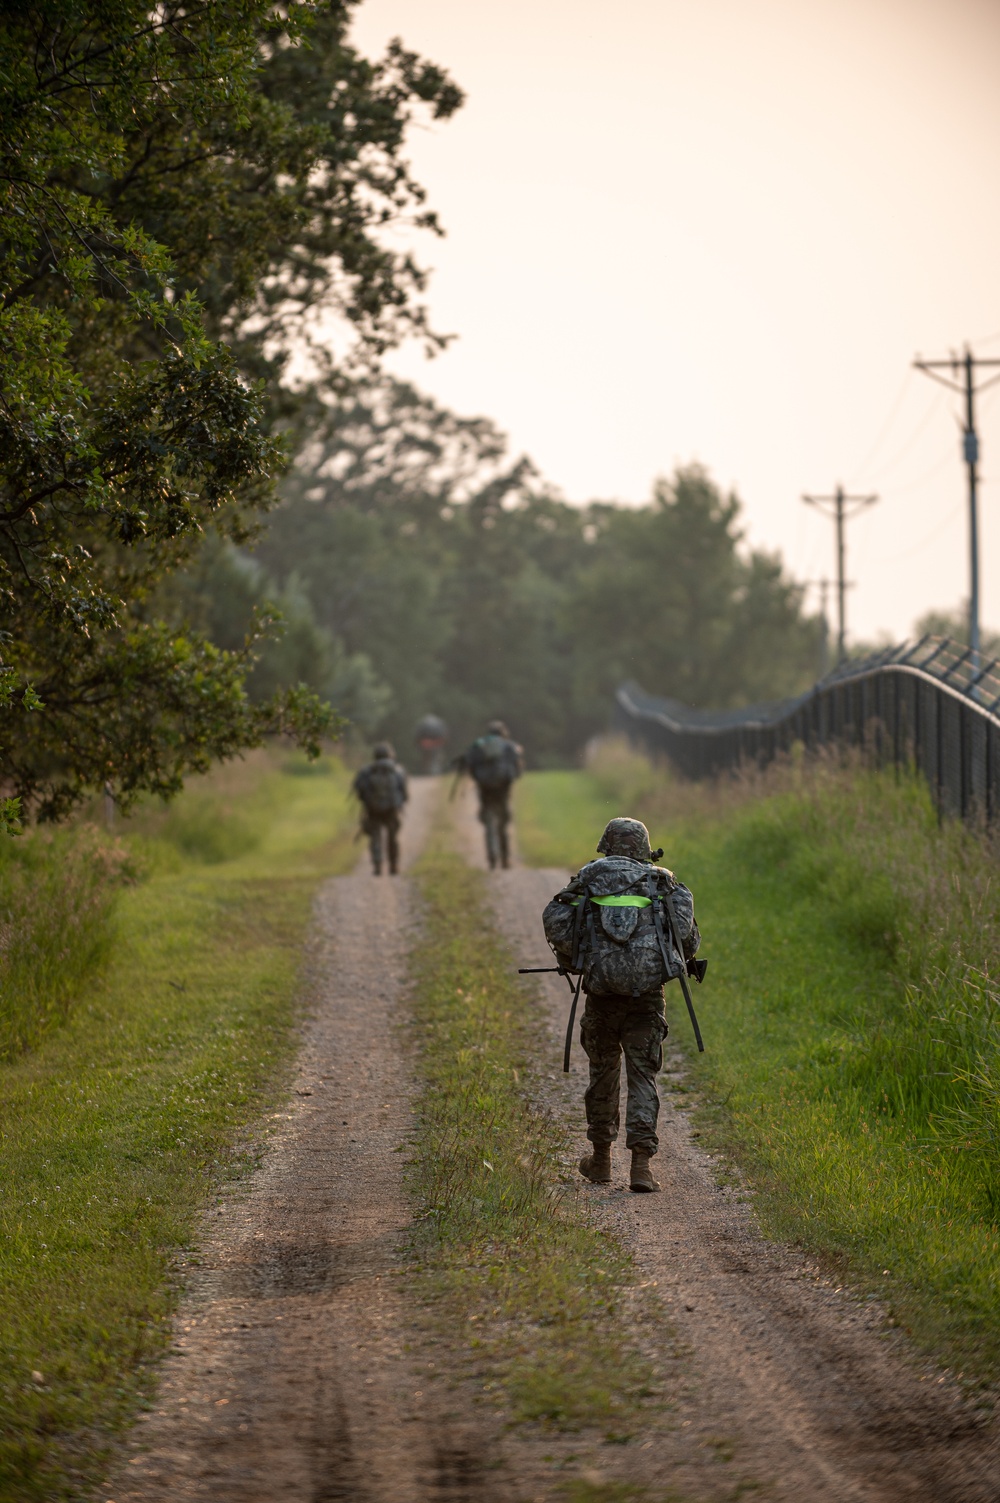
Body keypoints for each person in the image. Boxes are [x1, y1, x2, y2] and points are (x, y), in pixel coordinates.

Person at [542, 817, 701, 1193]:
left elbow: (557, 922)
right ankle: (641, 1168)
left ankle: (600, 1161)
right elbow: (687, 939)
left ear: (608, 845)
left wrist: (577, 958)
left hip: (601, 998)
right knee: (643, 1076)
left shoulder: (589, 877)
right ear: (645, 848)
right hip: (646, 998)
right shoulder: (661, 881)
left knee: (602, 1073)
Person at [456, 720, 523, 869]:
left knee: (488, 822)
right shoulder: (509, 746)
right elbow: (517, 768)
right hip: (503, 788)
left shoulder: (479, 745)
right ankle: (505, 859)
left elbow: (469, 765)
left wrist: (479, 780)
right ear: (503, 732)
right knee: (503, 824)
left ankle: (492, 858)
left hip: (485, 788)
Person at [352, 742, 408, 876]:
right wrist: (399, 803)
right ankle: (394, 865)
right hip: (392, 810)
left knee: (375, 837)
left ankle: (377, 865)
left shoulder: (366, 771)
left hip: (373, 810)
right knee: (392, 838)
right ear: (391, 755)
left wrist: (367, 803)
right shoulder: (398, 770)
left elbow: (359, 790)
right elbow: (404, 793)